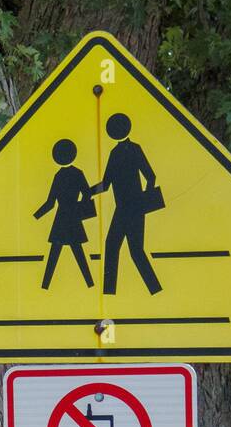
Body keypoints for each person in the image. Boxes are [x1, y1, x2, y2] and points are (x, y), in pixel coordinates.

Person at [90, 112, 163, 295]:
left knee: (130, 250)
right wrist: (87, 192)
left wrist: (144, 200)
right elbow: (107, 184)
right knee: (119, 247)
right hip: (126, 209)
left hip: (130, 209)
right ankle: (111, 292)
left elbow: (149, 176)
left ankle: (153, 289)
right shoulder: (123, 151)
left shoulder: (125, 151)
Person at [33, 138, 96, 290]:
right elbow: (87, 194)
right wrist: (80, 207)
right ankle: (90, 284)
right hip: (73, 217)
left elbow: (50, 203)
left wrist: (36, 216)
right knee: (77, 252)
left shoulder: (59, 176)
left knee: (56, 253)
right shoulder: (78, 173)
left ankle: (45, 286)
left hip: (61, 219)